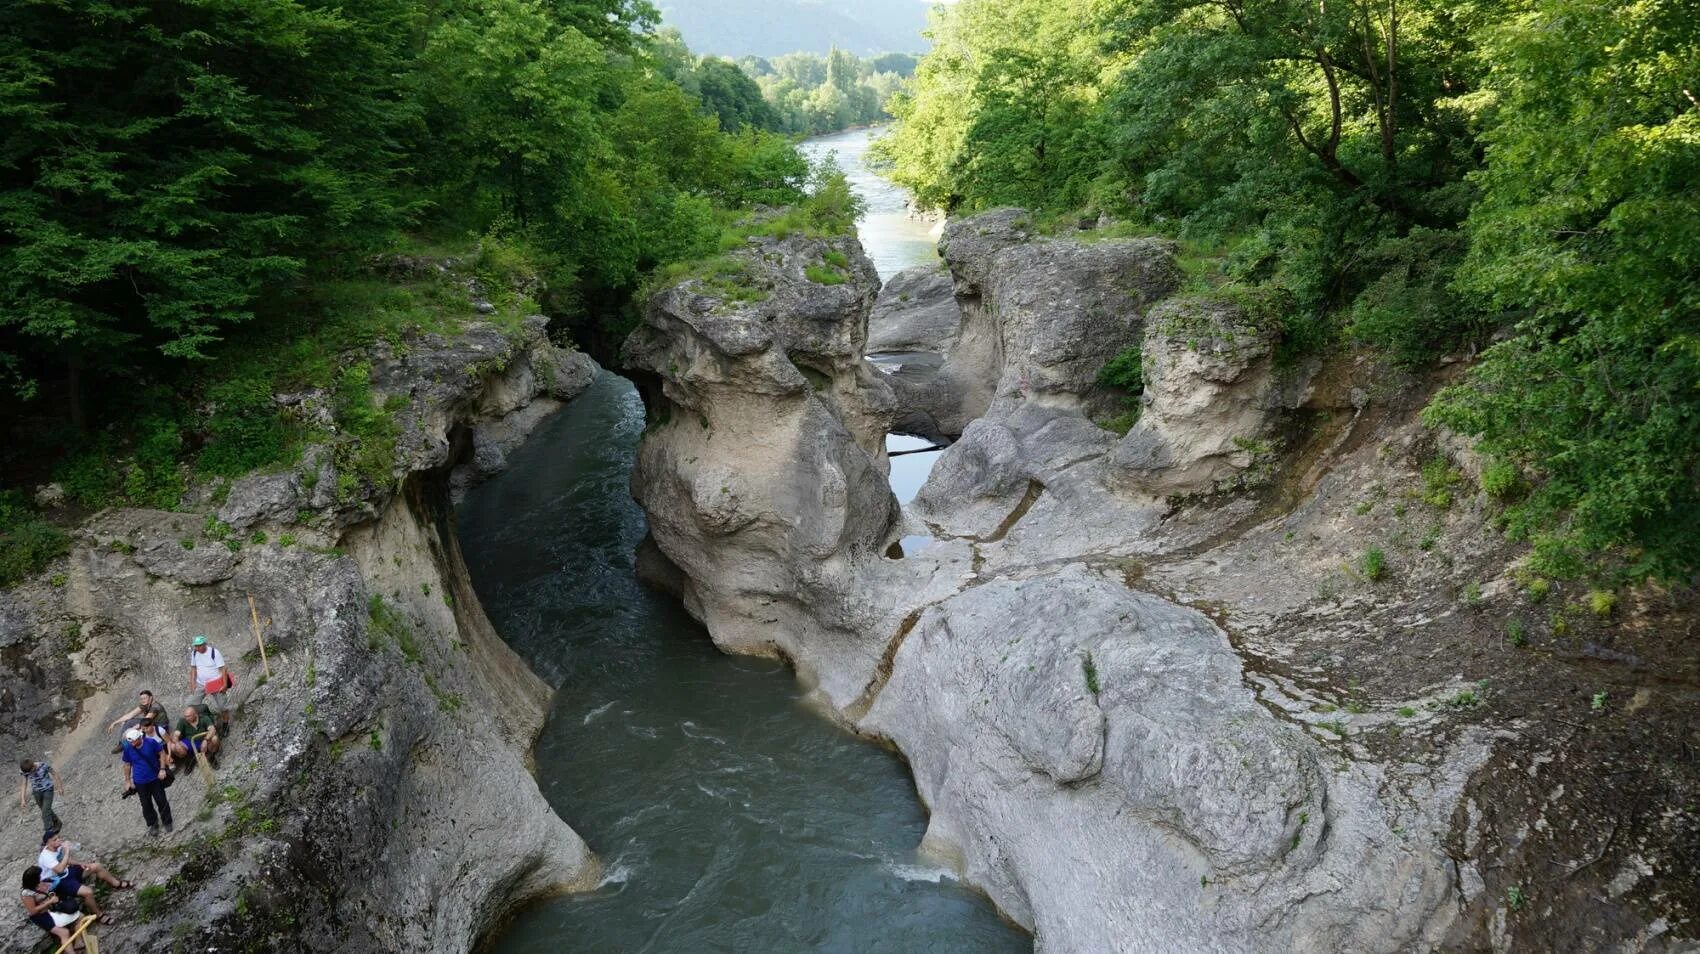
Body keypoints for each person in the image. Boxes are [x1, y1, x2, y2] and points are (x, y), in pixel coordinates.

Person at [36, 832, 126, 923]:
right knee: (88, 892)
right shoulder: (46, 856)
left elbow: (65, 860)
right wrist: (67, 851)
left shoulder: (56, 848)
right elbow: (59, 869)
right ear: (48, 843)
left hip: (66, 873)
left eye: (58, 838)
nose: (58, 840)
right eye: (54, 840)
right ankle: (98, 915)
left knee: (96, 866)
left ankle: (116, 883)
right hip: (57, 882)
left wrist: (80, 863)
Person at [119, 726, 174, 835]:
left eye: (135, 742)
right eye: (131, 742)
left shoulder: (151, 742)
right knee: (146, 804)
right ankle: (152, 824)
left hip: (155, 778)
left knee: (161, 800)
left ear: (139, 738)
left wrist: (162, 769)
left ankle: (167, 822)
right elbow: (127, 764)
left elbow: (161, 753)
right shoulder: (128, 748)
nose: (133, 744)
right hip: (140, 781)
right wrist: (127, 781)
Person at [21, 866, 89, 949]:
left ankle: (78, 942)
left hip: (52, 909)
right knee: (64, 932)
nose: (41, 876)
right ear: (33, 879)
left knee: (81, 916)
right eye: (39, 876)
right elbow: (33, 911)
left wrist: (49, 889)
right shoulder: (26, 893)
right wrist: (49, 902)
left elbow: (48, 892)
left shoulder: (40, 883)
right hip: (42, 915)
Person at [188, 635, 234, 738]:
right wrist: (192, 683)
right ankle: (209, 716)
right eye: (196, 646)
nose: (197, 648)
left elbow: (223, 669)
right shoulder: (194, 653)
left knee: (222, 706)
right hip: (201, 683)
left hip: (215, 683)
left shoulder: (214, 652)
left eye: (199, 645)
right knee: (191, 704)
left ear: (205, 644)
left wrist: (225, 685)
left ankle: (225, 725)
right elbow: (193, 668)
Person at [105, 689, 169, 753]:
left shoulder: (155, 707)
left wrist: (133, 729)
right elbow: (130, 715)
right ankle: (121, 744)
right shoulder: (145, 705)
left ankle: (127, 745)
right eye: (141, 699)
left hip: (160, 725)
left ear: (151, 697)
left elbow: (144, 721)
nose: (143, 700)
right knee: (129, 722)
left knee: (140, 731)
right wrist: (115, 723)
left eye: (145, 698)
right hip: (149, 722)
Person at [18, 759, 62, 836]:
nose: (29, 774)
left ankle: (49, 834)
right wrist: (23, 799)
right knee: (45, 809)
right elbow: (24, 784)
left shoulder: (43, 765)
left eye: (30, 772)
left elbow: (54, 773)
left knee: (45, 812)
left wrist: (60, 787)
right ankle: (57, 822)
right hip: (37, 792)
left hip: (48, 790)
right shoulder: (25, 770)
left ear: (33, 767)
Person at [170, 704, 220, 770]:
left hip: (203, 740)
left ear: (195, 714)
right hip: (190, 741)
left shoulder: (204, 718)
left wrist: (206, 740)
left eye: (189, 716)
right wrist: (177, 743)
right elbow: (176, 734)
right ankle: (189, 759)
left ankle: (211, 756)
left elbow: (212, 729)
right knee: (173, 747)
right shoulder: (182, 721)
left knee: (215, 739)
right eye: (185, 716)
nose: (186, 718)